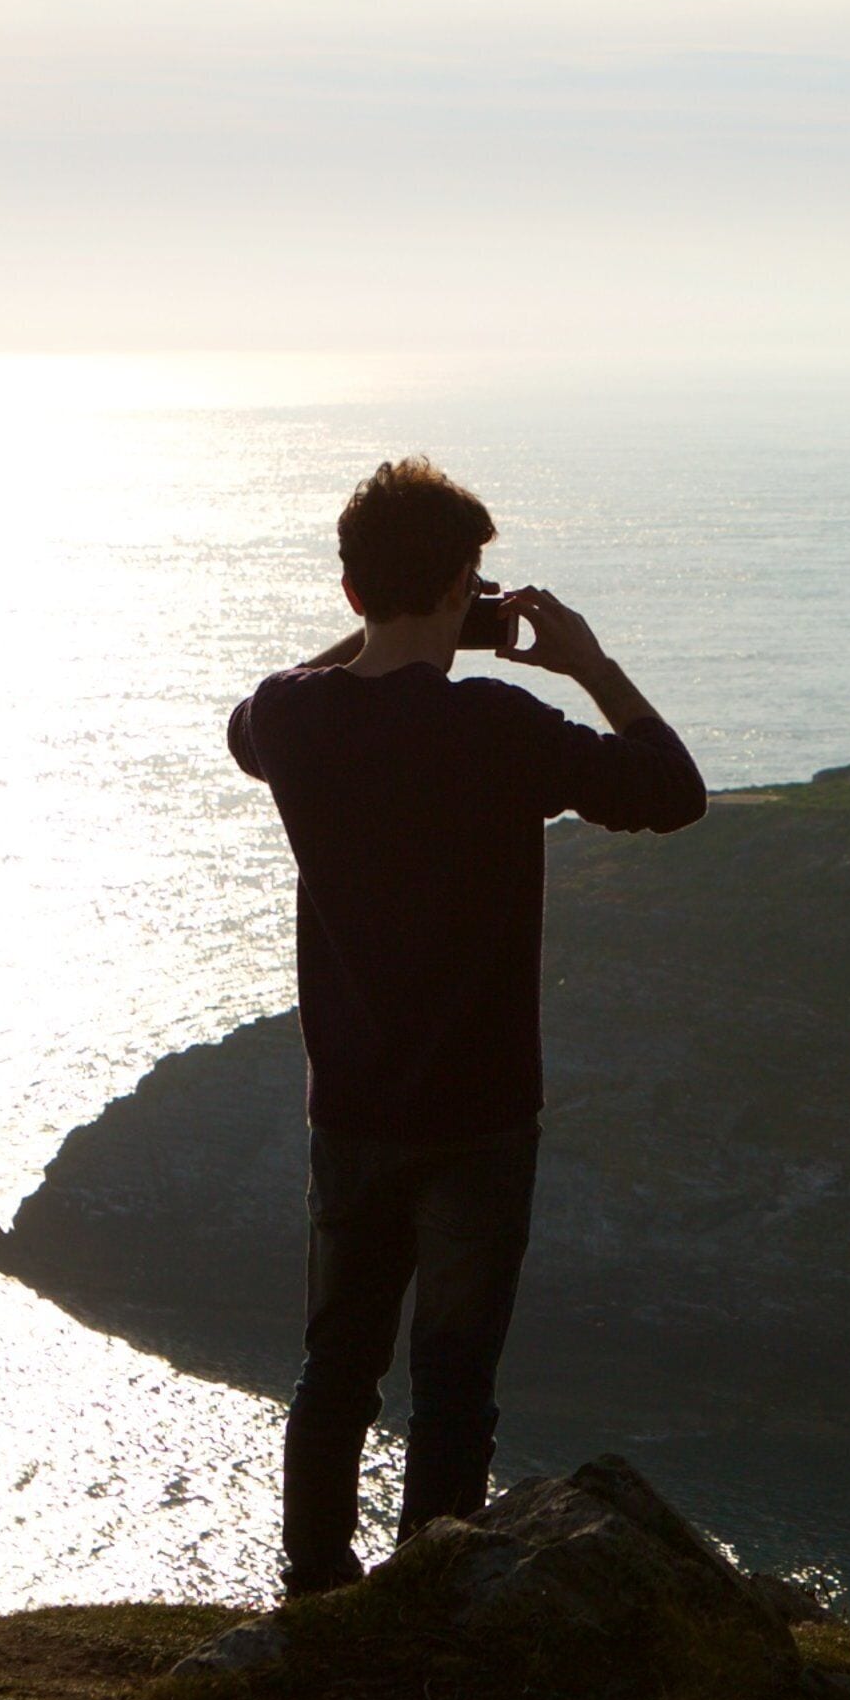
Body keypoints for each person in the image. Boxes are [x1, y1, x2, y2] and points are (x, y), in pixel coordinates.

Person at [229, 458, 708, 1596]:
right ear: (463, 585)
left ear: (349, 592)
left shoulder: (292, 718)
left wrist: (395, 631)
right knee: (454, 1380)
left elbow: (273, 707)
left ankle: (313, 1593)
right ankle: (430, 1598)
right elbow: (671, 790)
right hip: (483, 1112)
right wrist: (588, 663)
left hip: (351, 1103)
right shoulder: (498, 726)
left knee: (336, 1366)